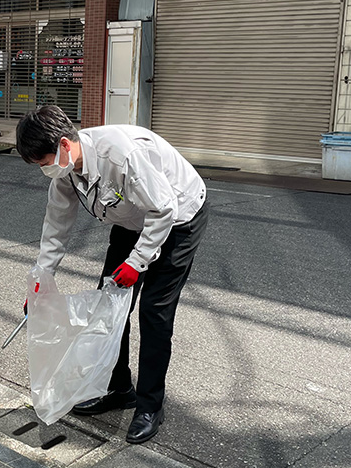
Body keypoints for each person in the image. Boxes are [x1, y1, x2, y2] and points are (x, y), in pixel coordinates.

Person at [16, 105, 209, 444]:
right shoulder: (67, 171)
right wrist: (40, 281)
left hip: (178, 216)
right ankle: (118, 388)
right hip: (131, 220)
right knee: (110, 305)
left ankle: (151, 406)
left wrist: (137, 263)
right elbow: (57, 224)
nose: (44, 171)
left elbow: (164, 208)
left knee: (154, 313)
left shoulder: (119, 156)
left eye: (44, 163)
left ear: (64, 144)